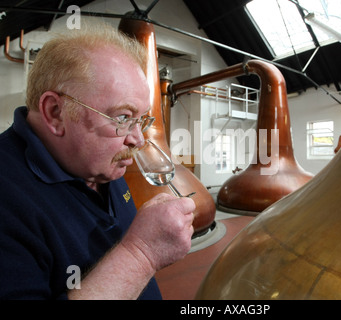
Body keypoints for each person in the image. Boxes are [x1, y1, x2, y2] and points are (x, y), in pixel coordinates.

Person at [0, 23, 195, 299]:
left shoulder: (100, 164)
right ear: (55, 112)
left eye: (141, 119)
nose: (138, 140)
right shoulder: (8, 196)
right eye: (124, 117)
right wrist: (142, 254)